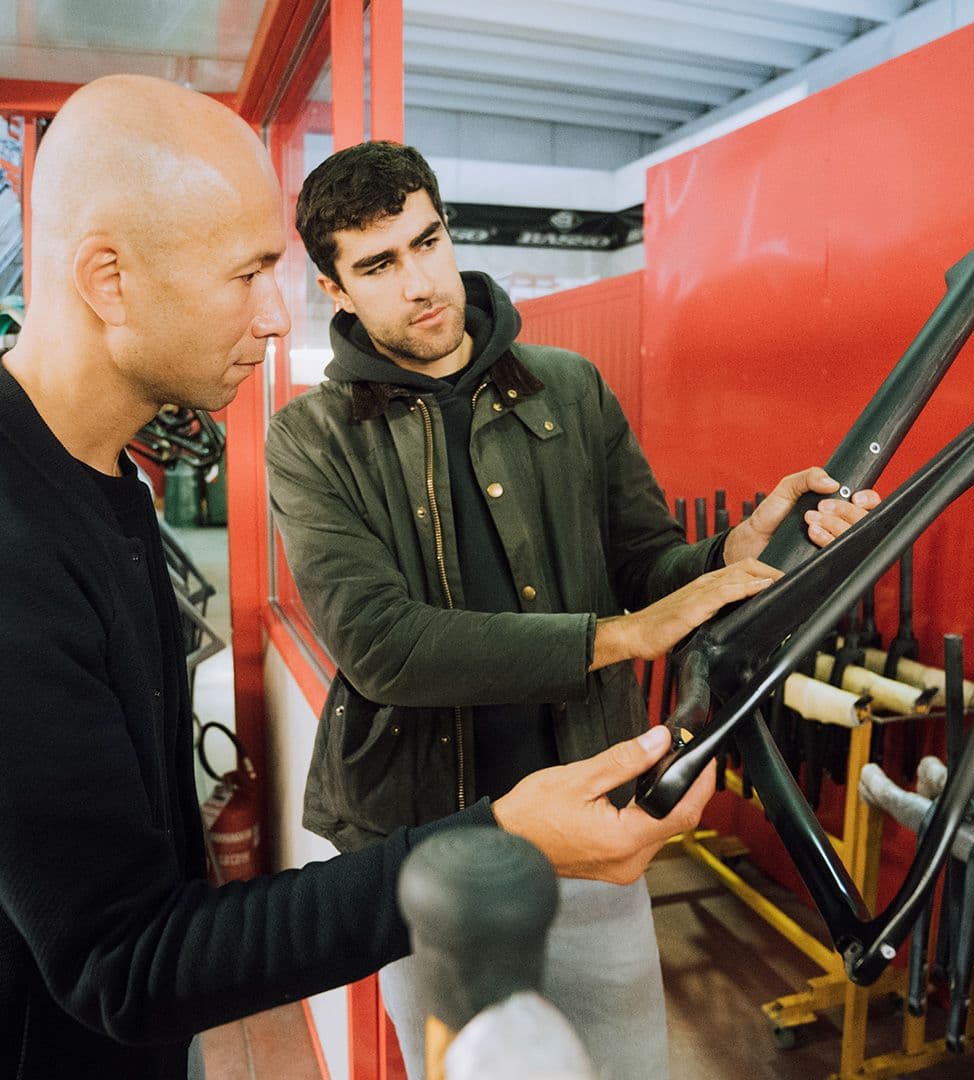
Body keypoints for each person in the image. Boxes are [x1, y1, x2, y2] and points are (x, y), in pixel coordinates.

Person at [0, 76, 722, 1080]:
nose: (269, 319)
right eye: (249, 272)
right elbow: (126, 960)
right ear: (108, 279)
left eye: (428, 243)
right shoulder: (25, 542)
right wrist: (500, 828)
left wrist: (732, 567)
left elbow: (135, 917)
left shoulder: (110, 485)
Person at [268, 141, 881, 1078]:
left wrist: (732, 552)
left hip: (597, 812)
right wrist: (624, 638)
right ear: (336, 288)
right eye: (379, 263)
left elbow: (645, 565)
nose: (421, 281)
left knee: (626, 1063)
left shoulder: (573, 389)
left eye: (428, 242)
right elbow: (379, 645)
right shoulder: (310, 441)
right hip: (431, 848)